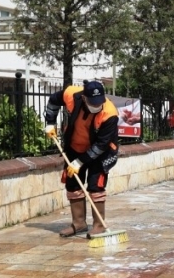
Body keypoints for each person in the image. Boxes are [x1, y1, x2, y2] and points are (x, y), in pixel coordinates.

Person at [44, 81, 120, 237]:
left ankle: (99, 225)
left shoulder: (110, 113)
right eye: (93, 103)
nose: (97, 106)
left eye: (100, 102)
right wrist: (50, 123)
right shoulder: (71, 94)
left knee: (95, 184)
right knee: (73, 183)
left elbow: (101, 145)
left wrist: (79, 162)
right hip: (75, 146)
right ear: (84, 98)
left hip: (101, 152)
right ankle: (78, 224)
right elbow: (53, 100)